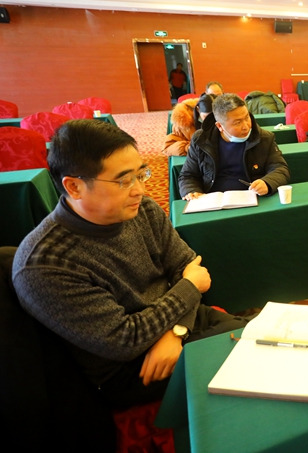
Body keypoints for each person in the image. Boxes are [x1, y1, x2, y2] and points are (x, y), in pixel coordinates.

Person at [12, 120, 249, 409]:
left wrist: (176, 331)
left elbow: (187, 267)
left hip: (177, 326)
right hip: (134, 369)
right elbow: (125, 339)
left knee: (264, 337)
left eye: (141, 174)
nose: (139, 190)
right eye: (124, 181)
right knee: (255, 359)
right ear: (74, 186)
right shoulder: (45, 264)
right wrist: (188, 288)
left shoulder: (142, 210)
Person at [179, 93, 290, 200]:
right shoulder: (201, 139)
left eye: (247, 118)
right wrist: (191, 190)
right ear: (219, 126)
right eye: (237, 123)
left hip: (251, 197)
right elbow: (188, 175)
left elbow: (280, 168)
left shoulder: (263, 137)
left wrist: (267, 182)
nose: (246, 126)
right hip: (212, 199)